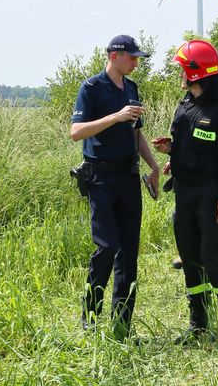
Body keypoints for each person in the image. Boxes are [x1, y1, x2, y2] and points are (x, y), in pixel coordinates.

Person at [152, 39, 218, 339]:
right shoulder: (187, 103)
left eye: (182, 69)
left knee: (215, 259)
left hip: (211, 195)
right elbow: (191, 141)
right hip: (184, 193)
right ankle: (198, 323)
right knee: (190, 257)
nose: (179, 74)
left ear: (196, 72)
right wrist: (172, 153)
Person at [70, 34, 160, 339]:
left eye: (137, 57)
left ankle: (122, 325)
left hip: (128, 176)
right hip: (101, 177)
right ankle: (90, 316)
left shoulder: (132, 88)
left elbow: (136, 134)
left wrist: (153, 165)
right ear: (113, 56)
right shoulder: (92, 88)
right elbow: (76, 132)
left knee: (128, 253)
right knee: (106, 247)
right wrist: (115, 117)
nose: (136, 62)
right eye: (131, 57)